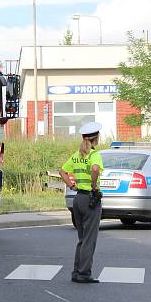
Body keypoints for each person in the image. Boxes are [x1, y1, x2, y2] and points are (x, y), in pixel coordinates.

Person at [59, 121, 104, 284]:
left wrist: (71, 185)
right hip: (91, 199)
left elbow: (62, 171)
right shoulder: (94, 155)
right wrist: (93, 185)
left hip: (78, 199)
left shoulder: (76, 155)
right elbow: (95, 169)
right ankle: (84, 274)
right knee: (89, 239)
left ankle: (77, 271)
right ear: (96, 138)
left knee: (82, 238)